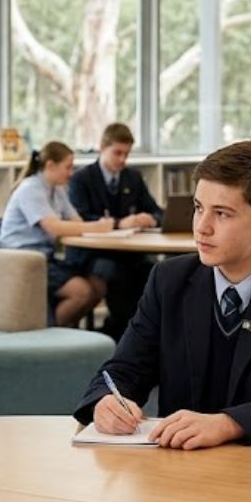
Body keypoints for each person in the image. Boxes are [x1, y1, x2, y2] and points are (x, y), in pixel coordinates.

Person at [73, 141, 251, 449]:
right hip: (176, 464)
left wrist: (229, 423)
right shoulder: (168, 280)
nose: (202, 227)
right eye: (198, 208)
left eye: (222, 214)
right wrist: (106, 402)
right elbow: (123, 370)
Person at [0, 141, 114, 327]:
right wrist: (96, 227)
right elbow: (53, 227)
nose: (71, 173)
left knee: (98, 285)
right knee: (81, 292)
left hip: (47, 257)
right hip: (25, 259)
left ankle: (67, 328)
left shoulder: (57, 189)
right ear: (50, 165)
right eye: (67, 167)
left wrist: (93, 226)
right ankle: (48, 333)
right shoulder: (31, 189)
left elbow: (76, 221)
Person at [67, 122, 164, 339]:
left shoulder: (133, 177)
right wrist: (120, 223)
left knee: (154, 272)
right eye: (117, 153)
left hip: (129, 252)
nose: (122, 159)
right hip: (92, 254)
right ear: (102, 147)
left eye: (126, 154)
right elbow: (80, 218)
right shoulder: (81, 179)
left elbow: (156, 210)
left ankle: (140, 333)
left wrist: (151, 219)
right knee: (115, 273)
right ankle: (120, 332)